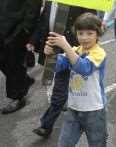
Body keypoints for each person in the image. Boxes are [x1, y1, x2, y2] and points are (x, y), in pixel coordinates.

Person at [30, 1, 97, 137]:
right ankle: (48, 124)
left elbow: (91, 22)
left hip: (74, 50)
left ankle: (51, 124)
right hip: (53, 47)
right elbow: (43, 21)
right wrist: (34, 41)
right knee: (59, 88)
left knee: (70, 89)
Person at [45, 12, 107, 147]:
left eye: (89, 33)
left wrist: (65, 46)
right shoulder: (74, 50)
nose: (84, 38)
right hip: (73, 108)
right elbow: (57, 66)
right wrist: (50, 54)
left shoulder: (99, 53)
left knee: (97, 144)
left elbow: (84, 68)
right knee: (64, 144)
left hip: (94, 110)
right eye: (80, 33)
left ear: (98, 34)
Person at [0, 0, 41, 114]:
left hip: (16, 29)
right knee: (4, 61)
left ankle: (18, 97)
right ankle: (24, 80)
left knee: (14, 62)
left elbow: (33, 3)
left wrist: (25, 30)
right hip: (2, 25)